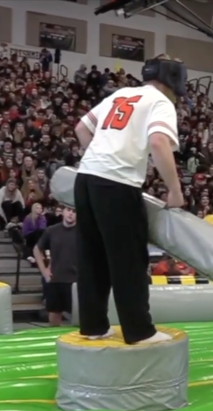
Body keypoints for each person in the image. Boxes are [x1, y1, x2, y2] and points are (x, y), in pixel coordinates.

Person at [72, 55, 187, 344]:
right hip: (117, 184)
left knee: (92, 256)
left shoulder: (121, 93)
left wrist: (100, 156)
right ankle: (139, 330)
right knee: (129, 259)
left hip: (86, 177)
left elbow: (81, 128)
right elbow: (159, 142)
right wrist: (175, 190)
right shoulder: (161, 102)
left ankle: (93, 326)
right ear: (174, 81)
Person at [34, 207, 77, 327]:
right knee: (53, 317)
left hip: (76, 281)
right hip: (55, 279)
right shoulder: (52, 230)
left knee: (79, 318)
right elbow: (37, 249)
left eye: (74, 212)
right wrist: (44, 271)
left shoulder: (83, 232)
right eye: (69, 210)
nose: (71, 214)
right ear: (63, 212)